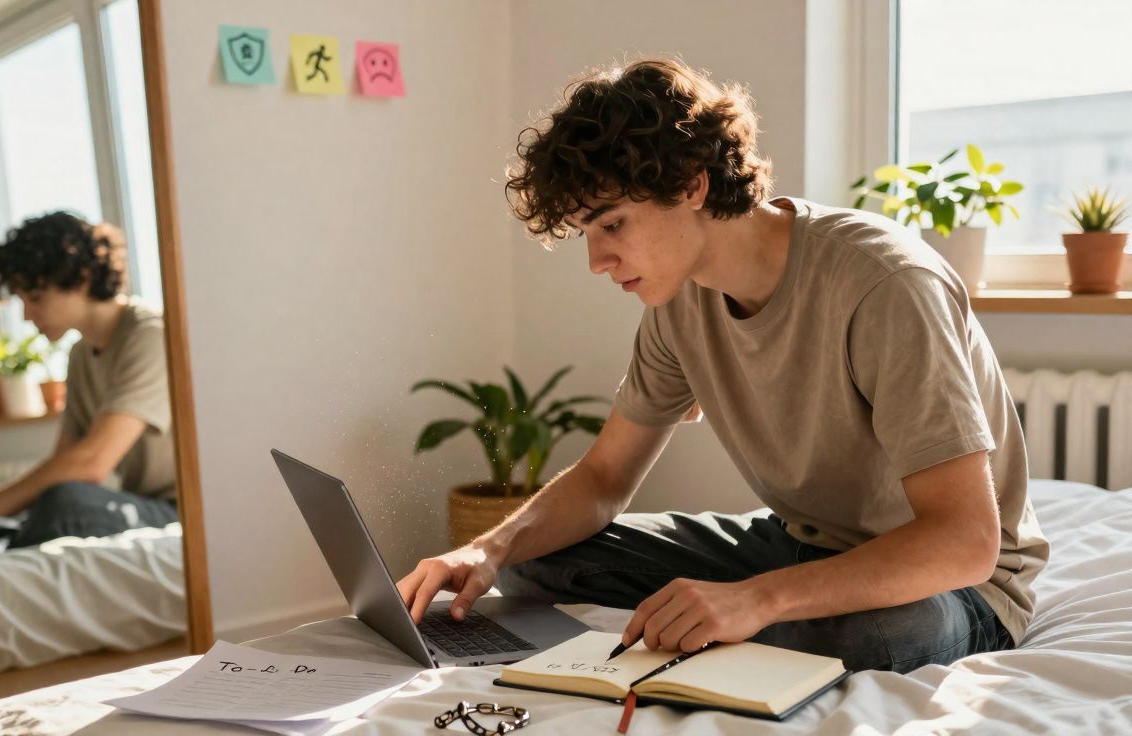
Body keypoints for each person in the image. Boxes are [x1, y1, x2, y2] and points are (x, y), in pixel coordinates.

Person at [396, 58, 1049, 673]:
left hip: (961, 586)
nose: (596, 261)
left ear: (692, 184)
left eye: (612, 225)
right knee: (533, 562)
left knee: (871, 634)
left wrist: (758, 599)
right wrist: (487, 547)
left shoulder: (883, 285)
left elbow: (964, 542)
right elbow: (603, 477)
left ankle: (761, 615)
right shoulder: (678, 299)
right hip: (807, 547)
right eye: (585, 234)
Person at [0, 211, 177, 548]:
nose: (27, 315)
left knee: (68, 503)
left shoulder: (150, 336)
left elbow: (91, 463)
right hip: (146, 504)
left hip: (182, 511)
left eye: (35, 298)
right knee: (54, 501)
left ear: (82, 279)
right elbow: (65, 460)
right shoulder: (80, 355)